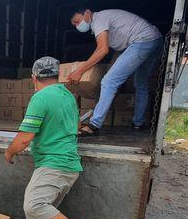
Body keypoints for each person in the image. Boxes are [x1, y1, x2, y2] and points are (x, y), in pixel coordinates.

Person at [4, 56, 100, 219]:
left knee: (35, 205)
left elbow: (24, 138)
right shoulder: (68, 95)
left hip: (54, 164)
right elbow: (75, 126)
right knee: (48, 210)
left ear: (34, 78)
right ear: (58, 76)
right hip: (69, 165)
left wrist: (10, 152)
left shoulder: (40, 97)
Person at [69, 8, 163, 136]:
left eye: (77, 21)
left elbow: (102, 49)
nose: (77, 26)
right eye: (74, 25)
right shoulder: (105, 18)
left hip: (142, 40)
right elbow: (119, 49)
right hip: (154, 39)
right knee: (141, 83)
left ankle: (94, 125)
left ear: (87, 13)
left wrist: (79, 71)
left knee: (109, 81)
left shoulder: (99, 19)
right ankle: (138, 123)